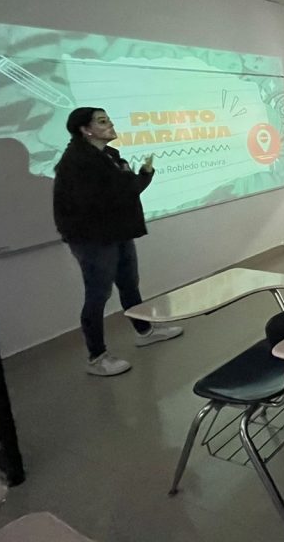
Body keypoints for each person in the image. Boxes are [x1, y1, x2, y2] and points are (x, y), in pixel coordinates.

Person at [53, 107, 182, 377]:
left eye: (109, 119)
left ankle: (145, 331)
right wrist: (137, 178)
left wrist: (143, 175)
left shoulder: (109, 155)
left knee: (129, 284)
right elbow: (111, 196)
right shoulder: (77, 162)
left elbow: (125, 191)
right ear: (85, 130)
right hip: (93, 238)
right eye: (102, 121)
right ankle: (96, 356)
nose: (110, 124)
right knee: (98, 294)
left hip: (118, 231)